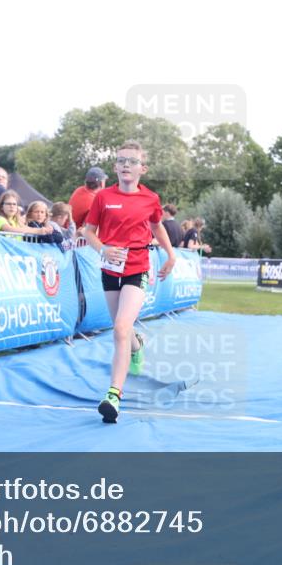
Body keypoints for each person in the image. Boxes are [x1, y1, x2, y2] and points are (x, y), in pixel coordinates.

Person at [83, 140, 176, 424]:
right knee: (121, 329)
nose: (126, 165)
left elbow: (157, 225)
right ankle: (137, 344)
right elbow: (88, 231)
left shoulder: (150, 199)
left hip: (137, 267)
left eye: (132, 161)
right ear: (115, 167)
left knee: (121, 327)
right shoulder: (102, 197)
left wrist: (170, 255)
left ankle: (113, 395)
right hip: (110, 269)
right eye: (121, 160)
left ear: (142, 168)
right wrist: (103, 249)